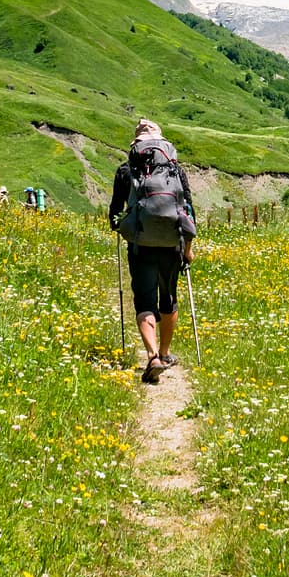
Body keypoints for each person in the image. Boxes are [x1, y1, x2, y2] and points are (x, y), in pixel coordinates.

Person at [110, 117, 197, 384]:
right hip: (172, 243)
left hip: (141, 244)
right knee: (168, 298)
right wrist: (188, 249)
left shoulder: (126, 170)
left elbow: (114, 214)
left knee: (144, 301)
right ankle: (166, 353)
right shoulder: (175, 171)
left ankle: (152, 356)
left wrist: (123, 227)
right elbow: (188, 211)